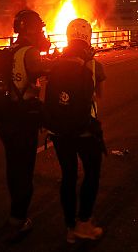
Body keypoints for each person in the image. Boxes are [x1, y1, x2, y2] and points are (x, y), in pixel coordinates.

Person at [0, 9, 50, 234]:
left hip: (7, 117)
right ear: (32, 28)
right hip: (23, 119)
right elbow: (43, 69)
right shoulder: (30, 52)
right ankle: (18, 219)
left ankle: (15, 213)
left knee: (14, 168)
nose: (42, 32)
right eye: (40, 28)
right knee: (24, 170)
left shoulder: (10, 51)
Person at [49, 18, 107, 244]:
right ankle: (84, 223)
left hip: (60, 132)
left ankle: (70, 227)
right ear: (88, 37)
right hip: (85, 131)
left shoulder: (55, 63)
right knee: (91, 174)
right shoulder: (94, 65)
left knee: (68, 176)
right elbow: (99, 96)